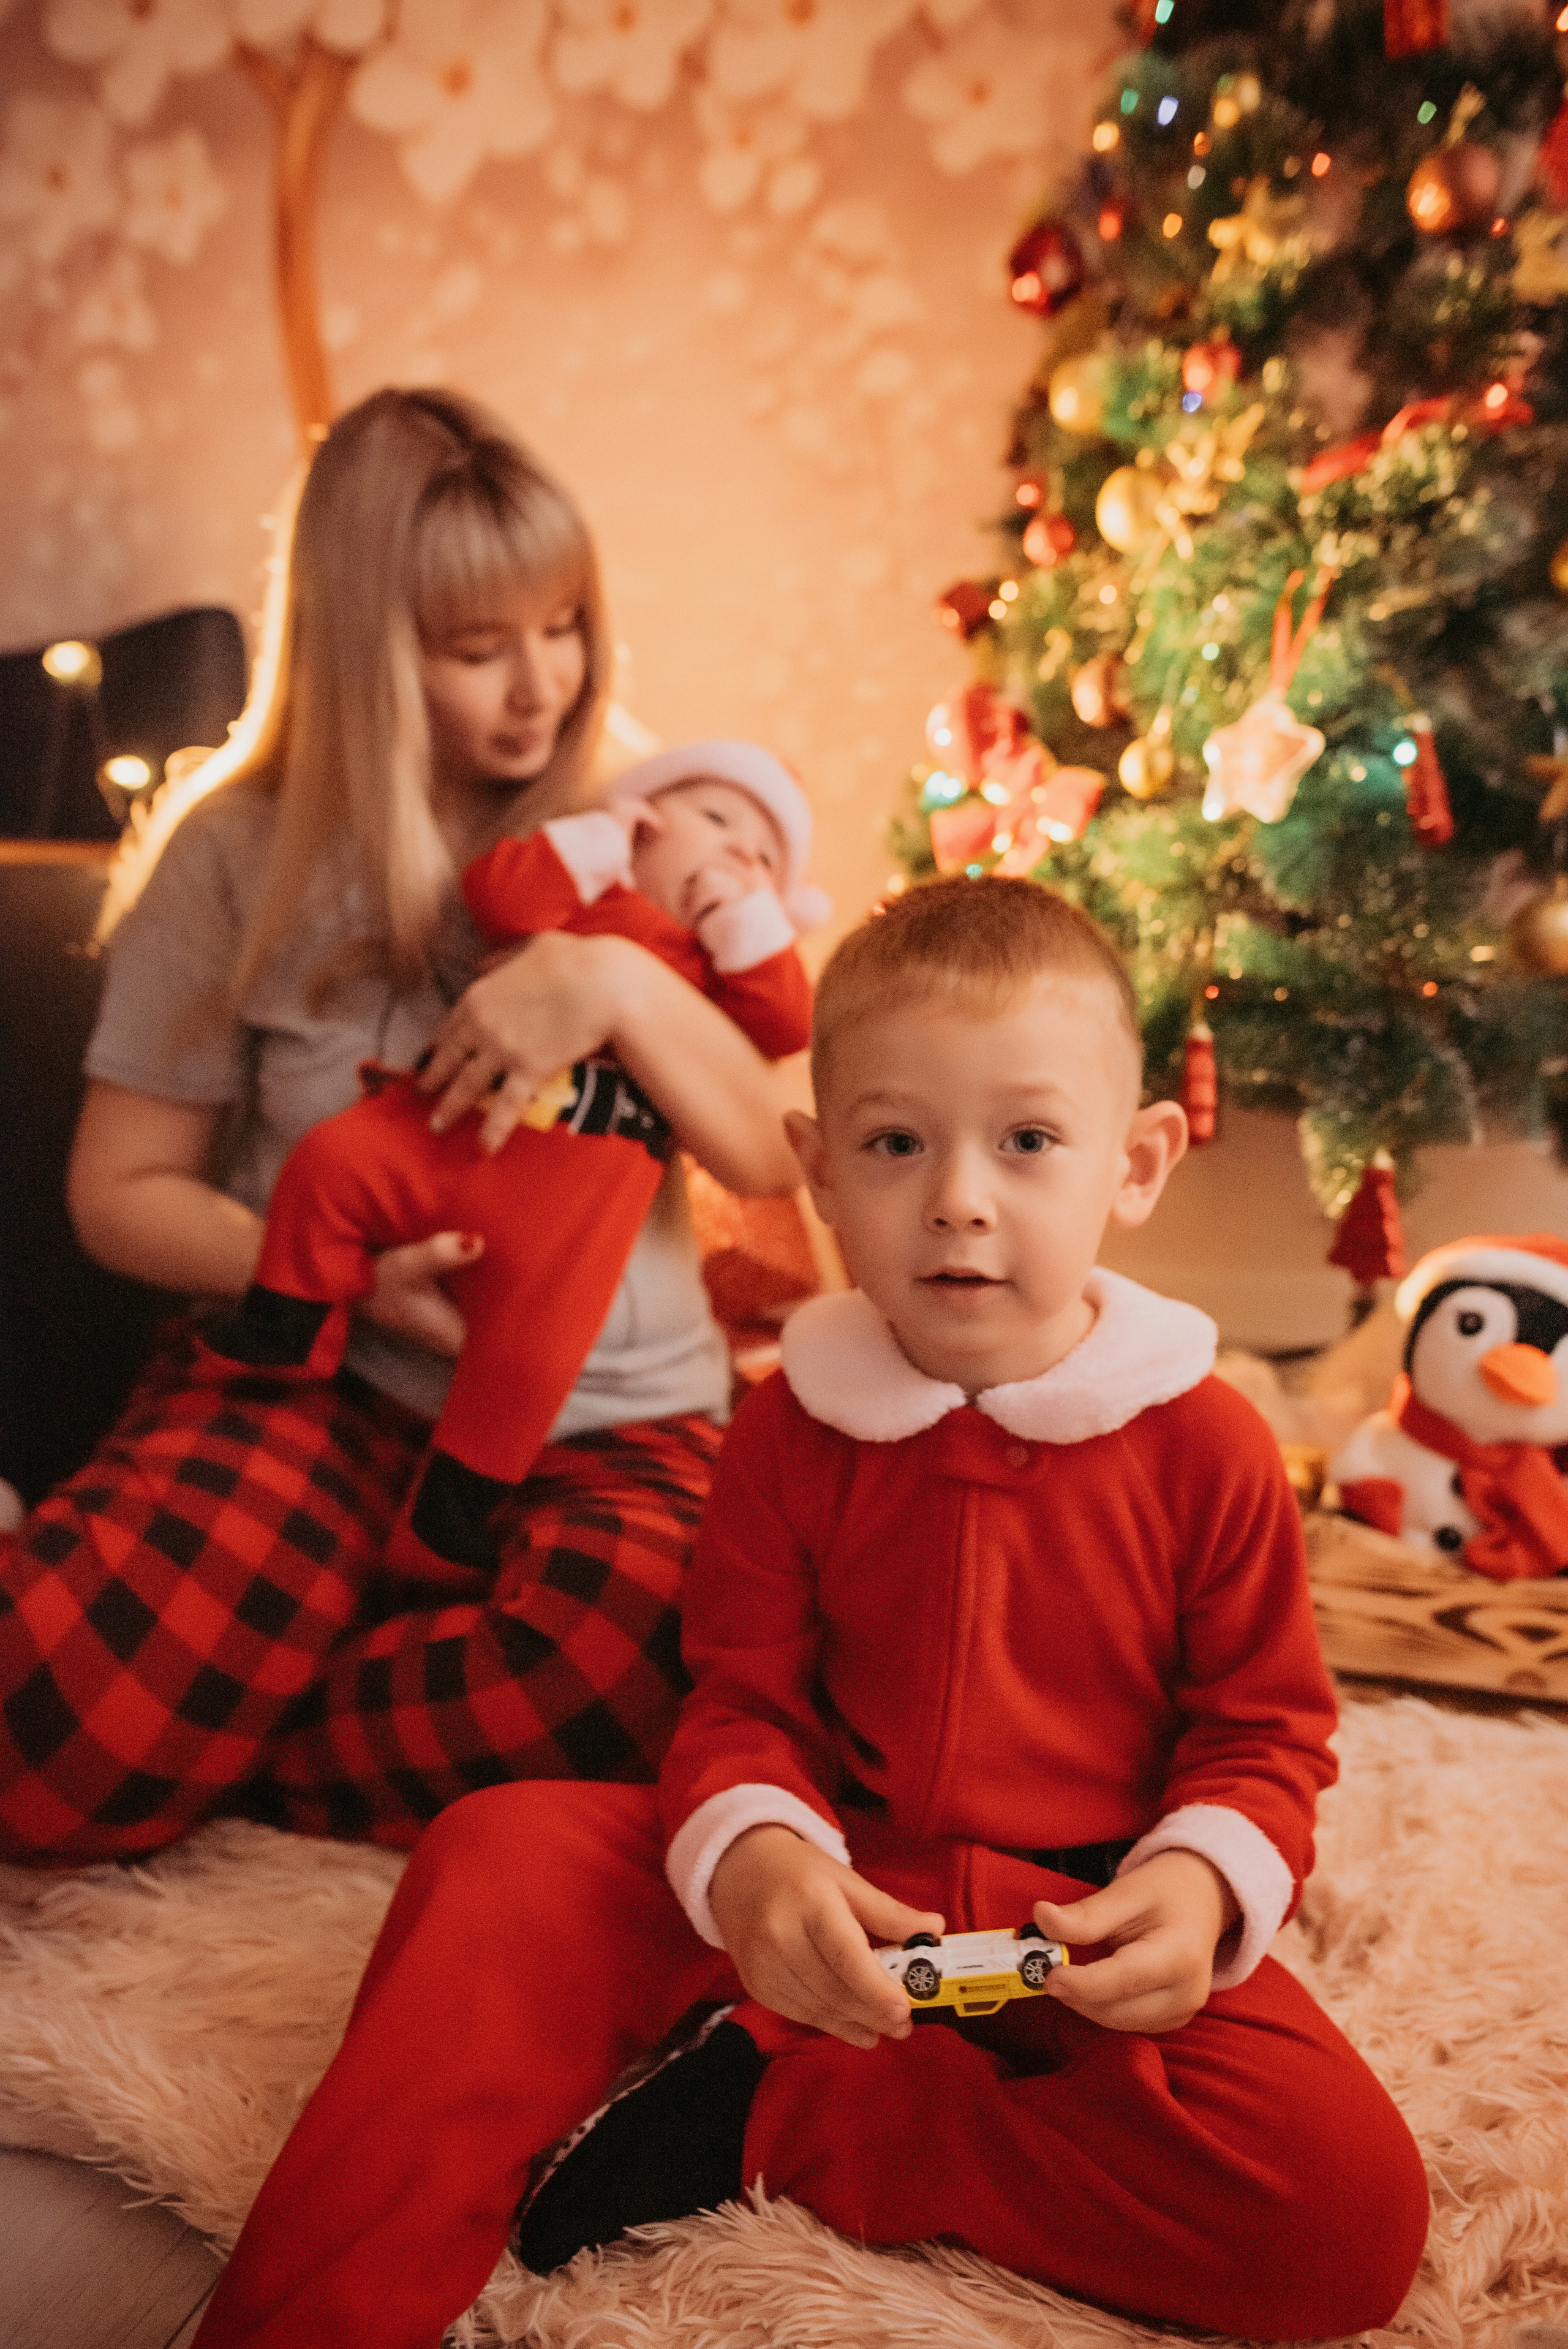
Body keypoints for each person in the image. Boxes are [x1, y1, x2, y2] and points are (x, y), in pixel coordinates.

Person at [190, 876, 1430, 2349]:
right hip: (840, 1875)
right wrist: (762, 1855)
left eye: (1026, 1143)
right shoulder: (788, 1428)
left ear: (1135, 1163)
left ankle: (791, 2118)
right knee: (495, 1857)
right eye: (896, 1143)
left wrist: (1204, 1892)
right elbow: (741, 1696)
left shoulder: (1206, 1442)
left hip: (1073, 1916)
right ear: (819, 1171)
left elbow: (1262, 1735)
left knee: (1342, 2216)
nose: (959, 1196)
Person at [0, 387, 802, 1866]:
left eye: (562, 625)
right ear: (366, 650)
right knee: (44, 1750)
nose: (541, 685)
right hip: (322, 1370)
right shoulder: (234, 855)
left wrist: (611, 977)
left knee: (644, 1676)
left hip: (613, 1418)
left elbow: (767, 1152)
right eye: (477, 648)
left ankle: (241, 1723)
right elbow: (122, 1191)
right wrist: (341, 1279)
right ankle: (246, 1675)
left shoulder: (646, 822)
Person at [200, 740, 819, 1579]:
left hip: (570, 1211)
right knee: (331, 1161)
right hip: (453, 1137)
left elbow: (787, 1026)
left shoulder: (713, 988)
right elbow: (498, 894)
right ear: (643, 822)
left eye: (765, 860)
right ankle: (283, 1333)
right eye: (715, 820)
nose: (739, 852)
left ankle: (446, 1528)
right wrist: (596, 842)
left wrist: (739, 923)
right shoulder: (584, 896)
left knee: (527, 1368)